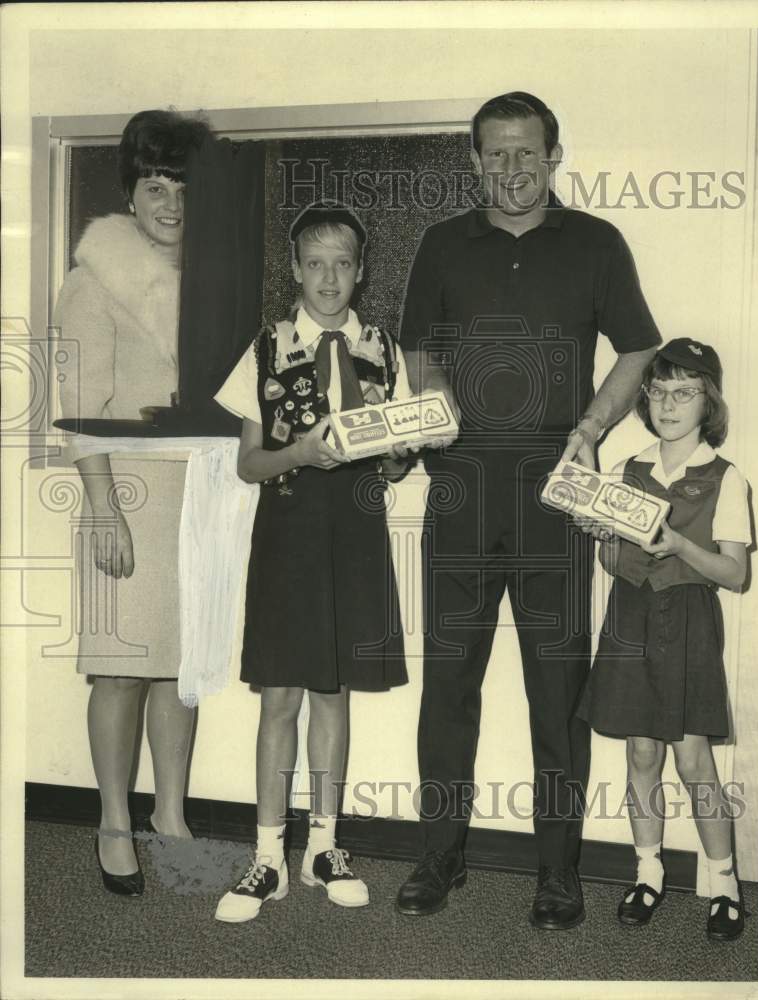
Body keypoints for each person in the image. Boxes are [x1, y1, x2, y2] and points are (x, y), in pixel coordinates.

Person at [396, 91, 661, 929]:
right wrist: (432, 405)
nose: (511, 169)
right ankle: (440, 858)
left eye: (526, 153)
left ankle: (558, 873)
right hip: (462, 491)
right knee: (449, 688)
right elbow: (418, 346)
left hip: (555, 494)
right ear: (475, 159)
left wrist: (590, 429)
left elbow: (641, 347)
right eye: (495, 154)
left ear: (553, 155)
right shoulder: (442, 244)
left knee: (558, 690)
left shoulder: (596, 242)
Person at [213, 201, 410, 922]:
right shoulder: (264, 349)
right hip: (290, 537)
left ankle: (323, 846)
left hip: (354, 537)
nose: (329, 277)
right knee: (282, 697)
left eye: (343, 264)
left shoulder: (383, 349)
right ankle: (267, 856)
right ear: (295, 269)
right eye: (315, 263)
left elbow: (393, 466)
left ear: (360, 273)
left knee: (335, 693)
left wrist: (397, 457)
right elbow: (247, 464)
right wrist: (297, 451)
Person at [55, 109, 211, 894]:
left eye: (183, 183)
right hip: (122, 492)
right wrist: (104, 508)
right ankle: (115, 820)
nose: (171, 201)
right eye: (157, 184)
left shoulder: (214, 279)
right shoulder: (92, 281)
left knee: (179, 668)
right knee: (119, 669)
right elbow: (77, 405)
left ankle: (171, 815)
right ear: (132, 190)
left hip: (197, 495)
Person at [576, 338, 750, 942]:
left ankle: (723, 881)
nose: (669, 403)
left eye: (685, 391)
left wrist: (680, 545)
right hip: (630, 617)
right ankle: (647, 873)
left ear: (709, 402)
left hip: (688, 621)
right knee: (641, 754)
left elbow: (736, 573)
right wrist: (600, 532)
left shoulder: (726, 477)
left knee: (693, 759)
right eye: (658, 390)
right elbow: (613, 563)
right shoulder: (629, 470)